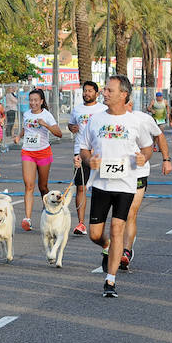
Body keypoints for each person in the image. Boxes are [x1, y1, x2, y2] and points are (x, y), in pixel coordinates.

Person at [78, 75, 153, 298]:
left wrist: (143, 158)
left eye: (110, 90)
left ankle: (110, 281)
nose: (104, 93)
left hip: (126, 185)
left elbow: (148, 148)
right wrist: (88, 159)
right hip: (101, 183)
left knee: (118, 228)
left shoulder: (135, 121)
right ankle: (108, 245)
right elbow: (84, 148)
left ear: (124, 94)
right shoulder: (95, 119)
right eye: (105, 90)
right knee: (95, 234)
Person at [121, 96, 172, 270]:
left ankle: (126, 251)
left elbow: (159, 136)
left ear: (130, 103)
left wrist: (166, 159)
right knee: (118, 214)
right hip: (116, 174)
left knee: (130, 213)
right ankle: (115, 246)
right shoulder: (107, 119)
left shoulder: (143, 119)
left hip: (138, 173)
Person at [13, 89, 62, 231]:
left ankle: (47, 208)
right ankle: (27, 219)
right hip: (28, 151)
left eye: (36, 100)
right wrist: (18, 136)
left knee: (43, 187)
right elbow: (25, 128)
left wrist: (45, 125)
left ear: (41, 101)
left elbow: (58, 133)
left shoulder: (47, 115)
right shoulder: (26, 114)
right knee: (29, 185)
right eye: (31, 100)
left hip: (43, 152)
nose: (33, 103)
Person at [68, 81, 107, 235]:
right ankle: (81, 223)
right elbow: (71, 125)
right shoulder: (77, 109)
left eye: (90, 91)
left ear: (96, 93)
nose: (87, 93)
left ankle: (99, 221)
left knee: (101, 188)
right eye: (85, 91)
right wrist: (72, 128)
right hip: (80, 151)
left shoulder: (103, 109)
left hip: (98, 152)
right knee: (81, 187)